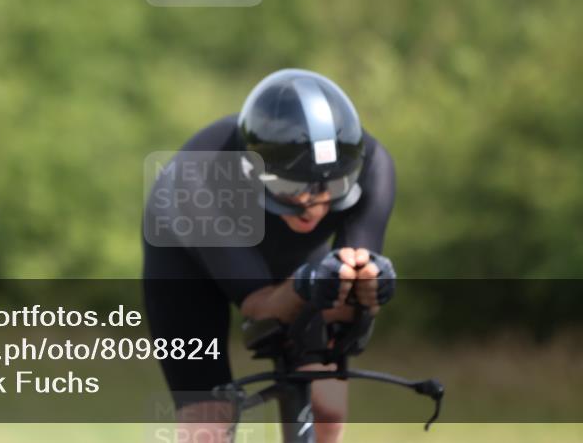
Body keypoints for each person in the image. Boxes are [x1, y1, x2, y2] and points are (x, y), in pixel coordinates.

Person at [142, 69, 397, 443]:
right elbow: (260, 306)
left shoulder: (373, 166)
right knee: (208, 423)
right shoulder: (200, 174)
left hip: (291, 260)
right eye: (293, 187)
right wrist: (310, 284)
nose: (313, 205)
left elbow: (348, 300)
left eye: (331, 186)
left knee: (326, 406)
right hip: (186, 263)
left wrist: (368, 291)